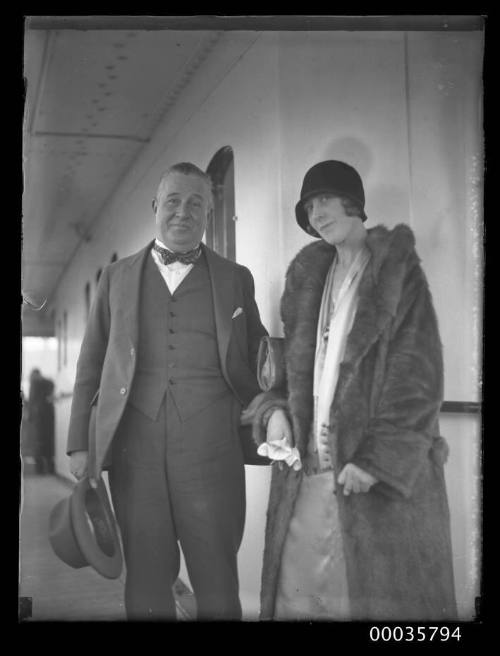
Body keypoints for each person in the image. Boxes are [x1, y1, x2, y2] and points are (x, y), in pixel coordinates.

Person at [251, 160, 457, 621]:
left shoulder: (397, 273)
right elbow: (292, 380)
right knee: (297, 596)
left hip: (371, 481)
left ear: (353, 203)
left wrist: (374, 460)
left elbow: (419, 379)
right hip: (309, 474)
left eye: (325, 199)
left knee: (372, 602)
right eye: (309, 206)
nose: (317, 212)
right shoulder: (307, 279)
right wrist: (275, 413)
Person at [67, 162, 267, 620]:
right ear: (156, 207)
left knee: (218, 576)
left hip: (213, 452)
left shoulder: (237, 278)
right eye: (173, 201)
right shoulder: (115, 278)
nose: (184, 212)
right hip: (135, 452)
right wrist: (81, 443)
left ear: (210, 213)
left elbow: (261, 363)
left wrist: (275, 413)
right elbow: (91, 363)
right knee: (146, 577)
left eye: (196, 203)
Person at [27, 368, 55, 474]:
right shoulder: (47, 383)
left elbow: (31, 400)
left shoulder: (35, 384)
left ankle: (41, 470)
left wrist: (30, 416)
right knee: (46, 443)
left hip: (39, 417)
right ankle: (48, 469)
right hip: (45, 417)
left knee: (39, 443)